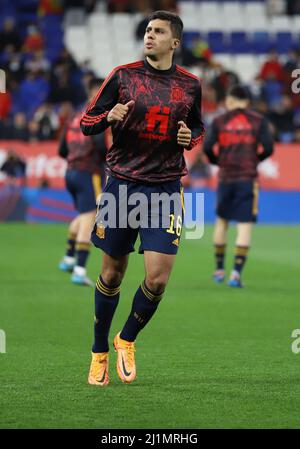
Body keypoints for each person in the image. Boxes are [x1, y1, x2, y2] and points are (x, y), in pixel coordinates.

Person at [80, 10, 204, 386]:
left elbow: (197, 127)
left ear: (174, 42)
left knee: (157, 280)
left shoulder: (191, 85)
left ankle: (126, 339)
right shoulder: (123, 76)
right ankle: (99, 351)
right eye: (148, 30)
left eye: (158, 31)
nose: (150, 36)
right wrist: (108, 117)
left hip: (166, 188)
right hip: (122, 185)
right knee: (111, 273)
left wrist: (190, 139)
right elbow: (87, 122)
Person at [203, 85, 274, 288]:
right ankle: (235, 274)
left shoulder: (219, 121)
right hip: (247, 178)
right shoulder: (258, 121)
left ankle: (218, 270)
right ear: (248, 101)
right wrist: (256, 159)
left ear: (231, 100)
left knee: (222, 222)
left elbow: (207, 147)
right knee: (244, 226)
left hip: (226, 177)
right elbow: (269, 147)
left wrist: (218, 161)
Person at [58, 77, 107, 286]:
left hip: (70, 172)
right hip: (89, 173)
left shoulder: (74, 118)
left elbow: (62, 150)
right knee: (90, 218)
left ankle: (69, 258)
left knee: (83, 215)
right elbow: (100, 146)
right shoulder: (98, 117)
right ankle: (79, 270)